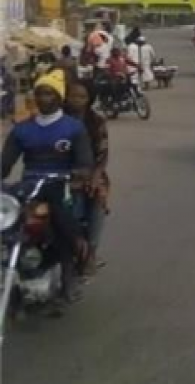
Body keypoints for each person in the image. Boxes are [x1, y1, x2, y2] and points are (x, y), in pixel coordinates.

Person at [1, 71, 94, 303]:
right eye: (40, 93)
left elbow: (84, 162)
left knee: (62, 223)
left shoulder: (73, 128)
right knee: (8, 220)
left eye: (49, 94)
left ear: (59, 98)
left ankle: (70, 272)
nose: (43, 98)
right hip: (30, 184)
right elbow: (5, 164)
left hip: (60, 184)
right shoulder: (22, 129)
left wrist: (78, 174)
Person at [64, 81, 110, 276]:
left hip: (89, 172)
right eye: (73, 95)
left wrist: (95, 176)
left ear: (89, 99)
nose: (77, 100)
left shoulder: (96, 121)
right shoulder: (58, 118)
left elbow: (103, 154)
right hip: (59, 172)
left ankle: (91, 251)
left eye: (82, 97)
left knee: (98, 196)